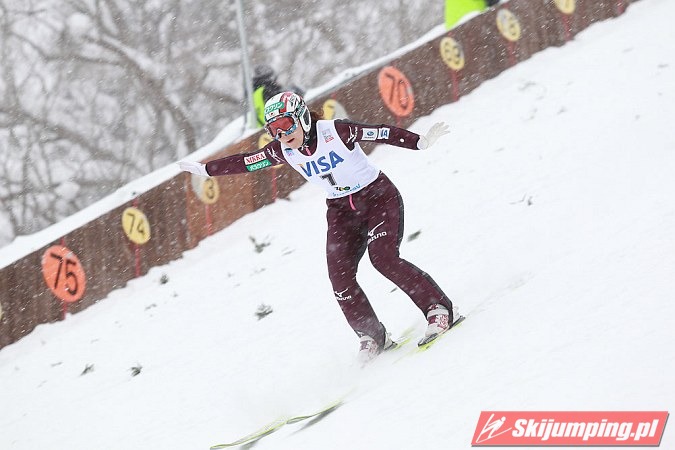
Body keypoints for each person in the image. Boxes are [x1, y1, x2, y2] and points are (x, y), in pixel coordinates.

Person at [178, 92, 460, 362]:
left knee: (383, 259)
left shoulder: (335, 131)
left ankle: (438, 308)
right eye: (273, 129)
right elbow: (245, 162)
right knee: (340, 278)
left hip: (377, 198)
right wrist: (206, 170)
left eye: (286, 124)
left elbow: (380, 131)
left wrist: (418, 142)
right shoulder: (282, 151)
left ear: (301, 117)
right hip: (341, 211)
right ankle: (372, 335)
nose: (281, 134)